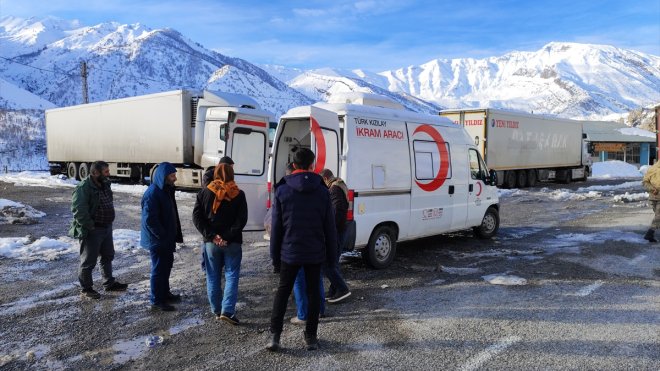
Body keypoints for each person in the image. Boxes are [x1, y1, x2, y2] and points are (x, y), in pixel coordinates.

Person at [266, 148, 337, 352]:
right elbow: (329, 227)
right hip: (314, 252)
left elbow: (276, 227)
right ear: (312, 165)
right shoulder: (323, 191)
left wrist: (274, 257)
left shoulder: (282, 190)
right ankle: (311, 337)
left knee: (283, 291)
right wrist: (332, 255)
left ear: (294, 165)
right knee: (314, 292)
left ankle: (275, 336)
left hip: (290, 251)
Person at [193, 163, 248, 325]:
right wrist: (227, 237)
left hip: (211, 243)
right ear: (232, 174)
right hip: (232, 243)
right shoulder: (238, 194)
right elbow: (241, 220)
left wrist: (212, 236)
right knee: (231, 275)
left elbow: (197, 218)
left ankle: (216, 310)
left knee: (213, 276)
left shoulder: (204, 193)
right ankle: (227, 311)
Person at [70, 161, 128, 299]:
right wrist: (90, 226)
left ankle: (109, 283)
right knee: (88, 261)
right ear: (95, 173)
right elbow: (78, 210)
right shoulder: (83, 187)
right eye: (106, 171)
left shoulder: (105, 184)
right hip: (93, 229)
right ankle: (86, 289)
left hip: (106, 227)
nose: (108, 174)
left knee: (108, 256)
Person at [141, 162, 183, 311]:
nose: (175, 178)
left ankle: (165, 294)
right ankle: (157, 300)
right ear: (164, 177)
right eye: (172, 176)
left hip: (165, 239)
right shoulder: (153, 193)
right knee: (159, 269)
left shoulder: (165, 190)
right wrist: (162, 235)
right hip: (158, 240)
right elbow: (150, 220)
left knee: (166, 266)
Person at [319, 168, 352, 303]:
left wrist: (329, 229)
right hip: (341, 229)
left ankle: (342, 289)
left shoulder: (334, 189)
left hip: (336, 232)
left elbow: (337, 212)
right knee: (333, 263)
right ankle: (334, 290)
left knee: (328, 264)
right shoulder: (340, 184)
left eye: (322, 182)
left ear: (326, 179)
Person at [201, 156, 235, 271]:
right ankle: (205, 266)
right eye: (230, 167)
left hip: (219, 216)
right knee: (207, 243)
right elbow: (209, 192)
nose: (231, 170)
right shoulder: (208, 176)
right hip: (210, 215)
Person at [642, 160, 660, 242]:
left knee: (658, 216)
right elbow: (645, 182)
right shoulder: (653, 169)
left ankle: (650, 233)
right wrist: (652, 189)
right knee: (658, 217)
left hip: (654, 197)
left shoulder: (652, 168)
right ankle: (650, 233)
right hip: (654, 197)